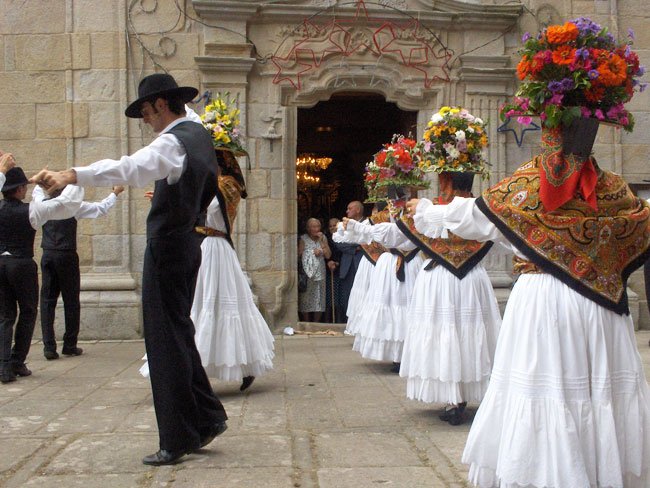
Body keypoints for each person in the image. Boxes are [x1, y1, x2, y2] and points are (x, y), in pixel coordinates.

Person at [406, 126, 650, 486]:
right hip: (603, 306)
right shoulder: (613, 188)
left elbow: (478, 217)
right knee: (598, 388)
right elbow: (640, 222)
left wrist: (428, 210)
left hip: (545, 302)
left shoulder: (531, 183)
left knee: (547, 385)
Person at [30, 73, 228, 466]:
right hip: (188, 243)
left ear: (160, 106)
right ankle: (206, 419)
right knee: (179, 332)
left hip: (170, 246)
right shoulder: (200, 135)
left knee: (163, 340)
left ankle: (178, 438)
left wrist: (73, 174)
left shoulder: (173, 140)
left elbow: (131, 167)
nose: (145, 121)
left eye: (145, 112)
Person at [0, 158, 84, 384]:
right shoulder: (32, 210)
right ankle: (17, 361)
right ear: (20, 189)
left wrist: (19, 178)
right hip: (22, 264)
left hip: (0, 264)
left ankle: (4, 365)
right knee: (27, 312)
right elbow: (63, 205)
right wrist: (42, 183)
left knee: (5, 316)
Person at [34, 185, 125, 360]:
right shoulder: (72, 206)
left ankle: (49, 347)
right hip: (66, 254)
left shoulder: (42, 204)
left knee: (47, 301)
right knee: (71, 300)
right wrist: (114, 193)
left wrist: (41, 181)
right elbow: (100, 208)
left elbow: (37, 191)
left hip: (48, 254)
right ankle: (69, 344)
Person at [335, 201, 365, 320]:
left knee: (361, 293)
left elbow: (367, 242)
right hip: (347, 266)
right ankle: (348, 321)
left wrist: (359, 245)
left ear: (357, 210)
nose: (347, 211)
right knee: (347, 294)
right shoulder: (343, 225)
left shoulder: (367, 224)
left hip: (361, 264)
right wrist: (356, 247)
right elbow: (338, 243)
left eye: (349, 208)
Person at [298, 217, 331, 322]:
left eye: (318, 226)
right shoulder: (303, 239)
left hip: (320, 271)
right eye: (313, 226)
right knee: (306, 297)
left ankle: (316, 323)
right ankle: (307, 322)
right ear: (308, 228)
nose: (316, 228)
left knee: (319, 296)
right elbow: (298, 254)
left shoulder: (323, 238)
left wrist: (322, 244)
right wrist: (310, 254)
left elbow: (328, 255)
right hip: (308, 272)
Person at [325, 217, 343, 323]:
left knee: (339, 297)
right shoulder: (326, 238)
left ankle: (339, 320)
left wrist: (337, 263)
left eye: (334, 225)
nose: (332, 228)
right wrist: (329, 262)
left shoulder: (344, 237)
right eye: (330, 226)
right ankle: (328, 321)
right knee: (329, 298)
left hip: (340, 270)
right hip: (328, 270)